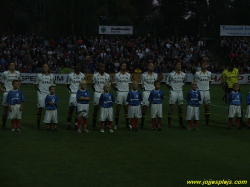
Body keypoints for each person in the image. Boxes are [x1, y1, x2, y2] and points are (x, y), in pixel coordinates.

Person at [221, 61, 245, 126]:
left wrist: (237, 87)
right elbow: (223, 82)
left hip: (237, 88)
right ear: (228, 66)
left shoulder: (236, 70)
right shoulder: (224, 72)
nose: (232, 68)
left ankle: (240, 120)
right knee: (231, 105)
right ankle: (230, 120)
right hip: (229, 89)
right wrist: (225, 91)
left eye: (233, 66)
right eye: (230, 67)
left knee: (239, 104)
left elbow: (237, 78)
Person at [0, 62, 22, 130]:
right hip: (7, 93)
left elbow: (20, 80)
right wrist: (1, 88)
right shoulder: (5, 73)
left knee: (16, 109)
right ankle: (4, 125)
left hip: (15, 93)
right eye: (11, 65)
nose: (13, 66)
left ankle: (17, 126)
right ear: (9, 66)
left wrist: (18, 87)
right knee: (5, 110)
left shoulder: (17, 73)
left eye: (14, 65)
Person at [34, 63, 56, 130]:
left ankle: (50, 125)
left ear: (48, 68)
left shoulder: (52, 76)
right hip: (41, 94)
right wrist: (39, 92)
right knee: (40, 109)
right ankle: (38, 125)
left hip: (49, 95)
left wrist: (52, 93)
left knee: (51, 109)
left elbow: (53, 85)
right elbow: (36, 84)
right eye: (44, 67)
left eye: (46, 66)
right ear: (42, 68)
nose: (45, 68)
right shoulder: (39, 75)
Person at [166, 61, 186, 129]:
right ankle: (169, 123)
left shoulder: (183, 74)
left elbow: (184, 82)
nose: (179, 66)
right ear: (175, 66)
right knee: (171, 107)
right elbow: (167, 83)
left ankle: (181, 124)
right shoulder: (171, 74)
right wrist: (171, 89)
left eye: (180, 64)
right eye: (178, 64)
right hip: (173, 92)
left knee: (181, 108)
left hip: (180, 92)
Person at [112, 62, 132, 129]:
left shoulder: (128, 75)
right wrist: (117, 90)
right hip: (119, 93)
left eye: (125, 66)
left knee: (127, 109)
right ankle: (116, 124)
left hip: (126, 93)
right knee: (118, 109)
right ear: (120, 67)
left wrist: (127, 90)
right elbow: (114, 84)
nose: (124, 67)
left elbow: (129, 84)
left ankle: (127, 124)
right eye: (123, 65)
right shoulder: (117, 75)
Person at [66, 62, 85, 130]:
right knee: (71, 110)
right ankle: (68, 124)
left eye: (80, 65)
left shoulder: (82, 75)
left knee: (78, 110)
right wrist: (72, 90)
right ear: (75, 66)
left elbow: (84, 85)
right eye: (77, 65)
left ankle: (76, 124)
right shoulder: (70, 75)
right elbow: (68, 84)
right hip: (73, 94)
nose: (79, 66)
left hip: (80, 94)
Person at [91, 63, 111, 129]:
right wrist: (96, 91)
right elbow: (92, 85)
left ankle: (106, 124)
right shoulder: (95, 75)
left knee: (106, 109)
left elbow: (108, 85)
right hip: (97, 93)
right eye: (101, 67)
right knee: (96, 109)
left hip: (105, 94)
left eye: (104, 67)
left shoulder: (107, 76)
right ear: (99, 68)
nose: (103, 68)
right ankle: (94, 124)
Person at [194, 60, 212, 126]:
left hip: (207, 92)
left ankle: (207, 122)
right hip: (199, 91)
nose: (205, 65)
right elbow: (194, 82)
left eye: (206, 64)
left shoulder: (209, 73)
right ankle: (194, 121)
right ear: (201, 65)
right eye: (203, 64)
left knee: (207, 106)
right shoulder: (197, 73)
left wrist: (206, 88)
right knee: (196, 106)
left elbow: (210, 82)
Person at [140, 62, 158, 128]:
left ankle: (154, 122)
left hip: (153, 92)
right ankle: (142, 122)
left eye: (153, 66)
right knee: (145, 108)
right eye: (150, 66)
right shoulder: (143, 75)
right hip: (146, 92)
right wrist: (143, 89)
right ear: (148, 67)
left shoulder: (155, 75)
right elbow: (141, 83)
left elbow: (156, 83)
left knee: (154, 108)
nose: (152, 67)